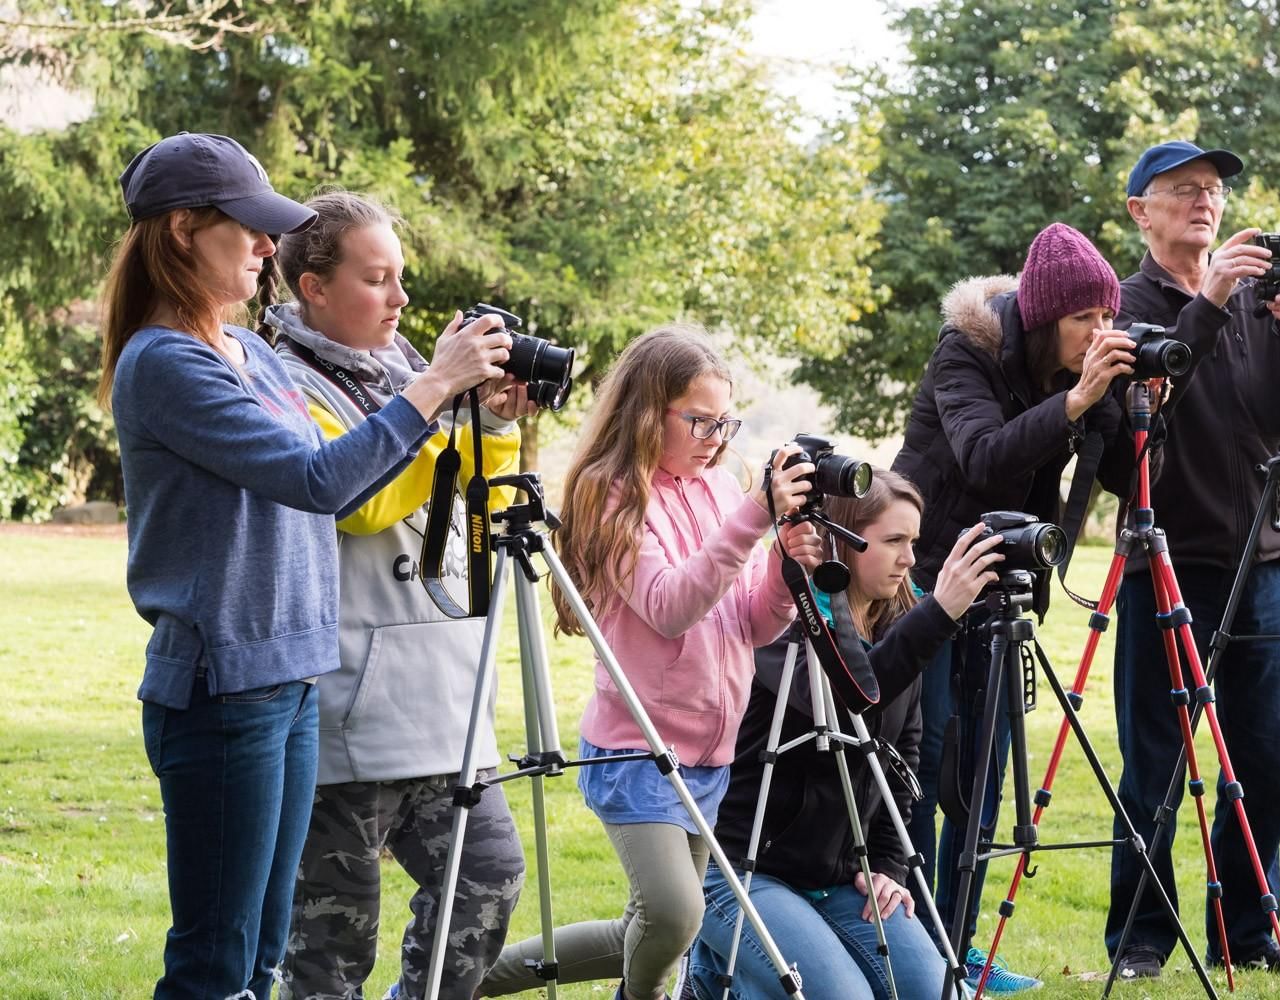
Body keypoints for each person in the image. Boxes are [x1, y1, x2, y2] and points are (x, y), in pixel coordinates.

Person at [99, 133, 513, 1000]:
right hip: (220, 690)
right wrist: (431, 388)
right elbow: (321, 481)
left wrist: (459, 408)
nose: (265, 247)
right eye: (247, 227)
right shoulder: (164, 363)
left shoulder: (250, 355)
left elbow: (359, 462)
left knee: (261, 958)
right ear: (182, 231)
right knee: (216, 960)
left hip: (290, 682)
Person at [481, 326, 823, 1000]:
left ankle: (461, 981)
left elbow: (750, 625)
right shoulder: (613, 494)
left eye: (725, 422)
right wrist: (754, 520)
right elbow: (668, 606)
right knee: (674, 913)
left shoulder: (721, 490)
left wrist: (784, 571)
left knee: (659, 924)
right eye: (698, 420)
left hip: (709, 746)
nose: (715, 437)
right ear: (647, 411)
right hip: (637, 743)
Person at [263, 192, 535, 1000]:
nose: (401, 299)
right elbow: (359, 503)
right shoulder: (280, 381)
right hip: (350, 699)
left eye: (402, 278)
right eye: (377, 279)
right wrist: (434, 396)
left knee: (489, 881)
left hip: (444, 693)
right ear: (313, 287)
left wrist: (492, 423)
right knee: (331, 949)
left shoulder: (407, 374)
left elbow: (467, 515)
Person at [1105, 140, 1280, 979]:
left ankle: (1246, 932)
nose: (1205, 203)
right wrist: (1205, 303)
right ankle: (1139, 941)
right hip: (1166, 561)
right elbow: (1140, 415)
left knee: (1265, 771)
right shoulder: (1121, 306)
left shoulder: (1260, 299)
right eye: (1183, 191)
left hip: (1263, 563)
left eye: (1212, 191)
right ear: (1141, 210)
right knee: (1156, 769)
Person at [890, 222, 1140, 985]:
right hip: (923, 577)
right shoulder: (963, 351)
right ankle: (909, 949)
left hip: (1001, 589)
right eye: (1083, 321)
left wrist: (1130, 402)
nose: (1099, 333)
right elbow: (986, 457)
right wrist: (1078, 398)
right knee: (925, 766)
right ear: (1041, 318)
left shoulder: (1076, 372)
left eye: (1108, 318)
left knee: (983, 772)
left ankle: (956, 949)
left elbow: (1129, 480)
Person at [689, 469, 1037, 998]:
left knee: (937, 992)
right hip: (743, 872)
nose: (909, 559)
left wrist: (888, 866)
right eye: (894, 541)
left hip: (837, 880)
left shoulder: (896, 625)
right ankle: (717, 974)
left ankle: (732, 973)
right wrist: (937, 614)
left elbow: (902, 760)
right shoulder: (783, 616)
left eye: (913, 542)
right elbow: (853, 692)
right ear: (842, 544)